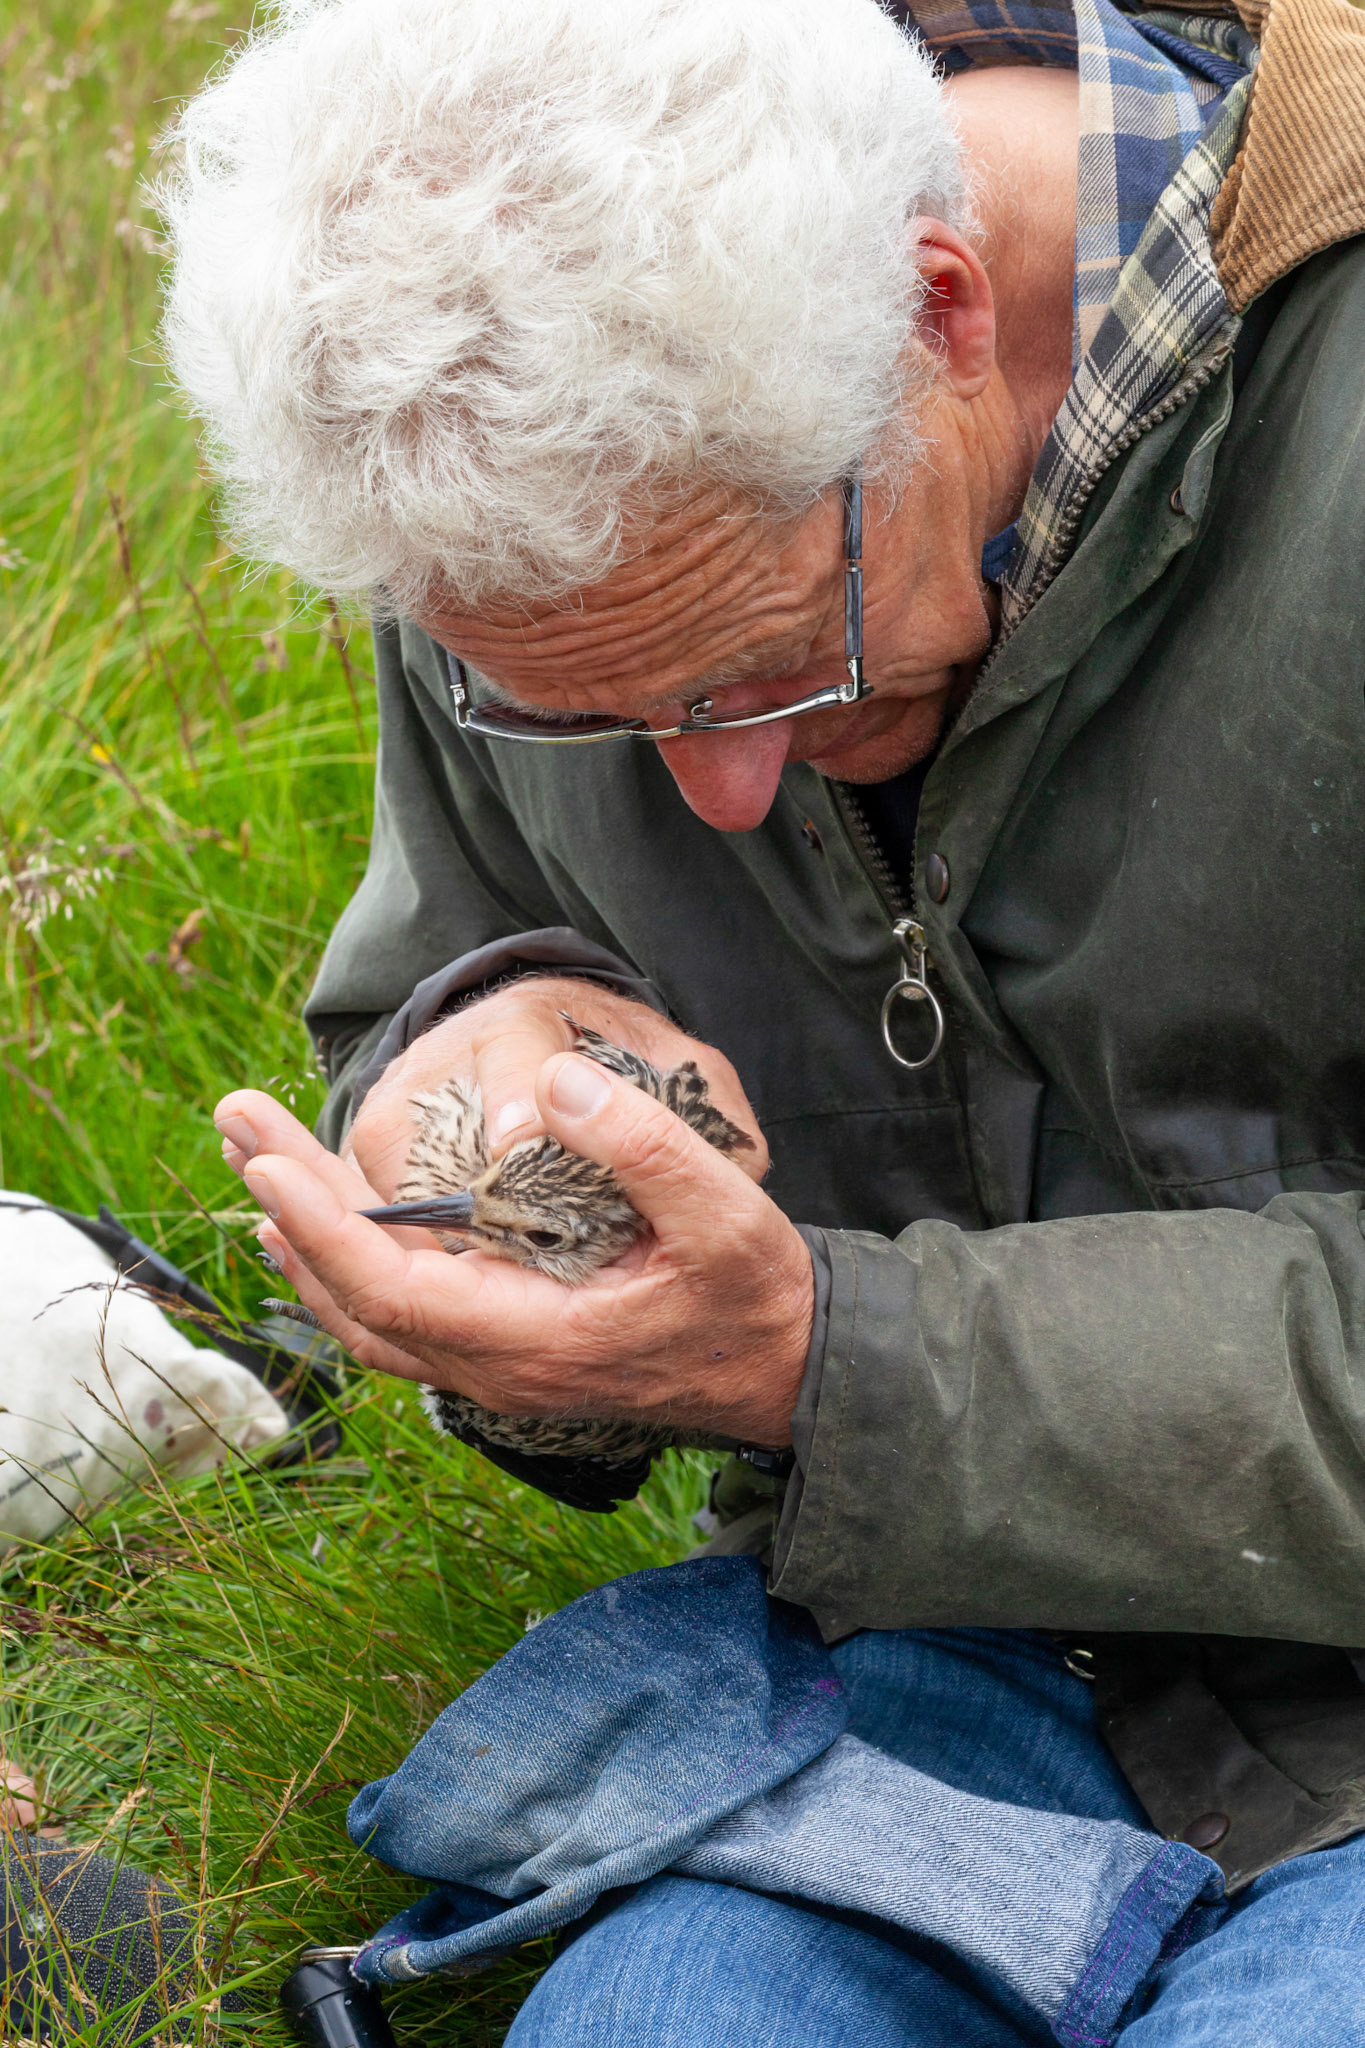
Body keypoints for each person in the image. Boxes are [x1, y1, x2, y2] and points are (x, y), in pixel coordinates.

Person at [165, 0, 1365, 2035]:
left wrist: (827, 1360)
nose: (716, 792)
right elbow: (453, 946)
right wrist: (481, 1105)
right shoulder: (516, 467)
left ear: (936, 308)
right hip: (923, 1656)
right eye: (578, 709)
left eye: (751, 669)